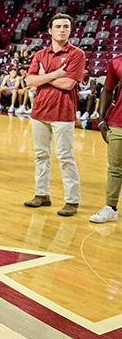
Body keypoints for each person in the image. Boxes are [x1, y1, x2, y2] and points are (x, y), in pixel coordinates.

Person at [23, 13, 85, 216]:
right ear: (50, 30)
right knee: (41, 155)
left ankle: (72, 200)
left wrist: (44, 76)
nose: (62, 30)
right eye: (58, 26)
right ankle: (42, 194)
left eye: (66, 26)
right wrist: (55, 74)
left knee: (65, 157)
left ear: (70, 30)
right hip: (39, 112)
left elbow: (68, 84)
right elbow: (30, 82)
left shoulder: (77, 54)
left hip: (63, 113)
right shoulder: (40, 54)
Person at [89, 53, 122, 223]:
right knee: (115, 169)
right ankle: (111, 207)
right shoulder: (117, 61)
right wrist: (102, 118)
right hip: (118, 122)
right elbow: (108, 90)